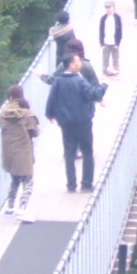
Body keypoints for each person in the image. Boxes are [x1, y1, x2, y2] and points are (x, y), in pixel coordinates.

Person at [45, 54, 107, 192]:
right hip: (83, 121)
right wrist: (104, 85)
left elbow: (51, 99)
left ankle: (71, 185)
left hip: (66, 122)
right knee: (87, 152)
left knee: (69, 153)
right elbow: (94, 94)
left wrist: (50, 114)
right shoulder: (80, 81)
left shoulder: (58, 81)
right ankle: (86, 184)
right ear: (71, 65)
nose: (81, 63)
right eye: (78, 61)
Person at [0, 84, 38, 221]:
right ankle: (21, 209)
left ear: (10, 97)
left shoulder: (3, 113)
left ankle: (10, 208)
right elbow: (34, 132)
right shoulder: (26, 113)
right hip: (23, 151)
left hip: (8, 151)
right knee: (28, 180)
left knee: (14, 179)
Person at [99, 1, 122, 78]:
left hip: (114, 42)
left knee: (115, 58)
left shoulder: (117, 18)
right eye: (106, 7)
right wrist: (101, 43)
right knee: (105, 59)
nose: (108, 9)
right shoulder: (103, 18)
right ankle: (104, 73)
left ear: (113, 8)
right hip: (106, 42)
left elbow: (119, 31)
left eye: (109, 7)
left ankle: (116, 73)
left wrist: (118, 43)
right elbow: (101, 31)